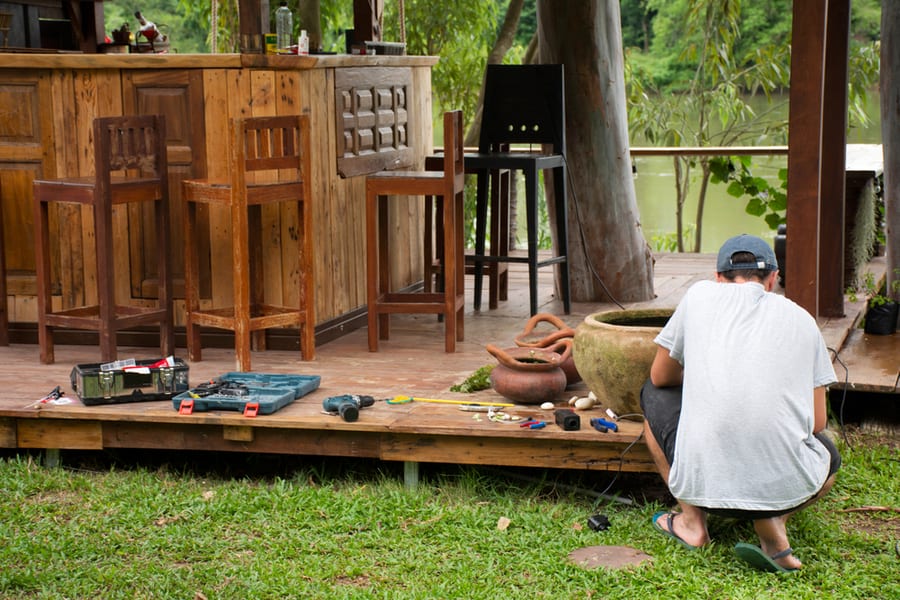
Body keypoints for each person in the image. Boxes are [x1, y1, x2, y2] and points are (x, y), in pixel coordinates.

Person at [640, 234, 841, 573]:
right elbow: (818, 423)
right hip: (787, 486)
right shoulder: (803, 320)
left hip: (704, 482)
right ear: (774, 279)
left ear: (717, 278)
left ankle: (692, 524)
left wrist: (707, 377)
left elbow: (660, 377)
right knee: (829, 458)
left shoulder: (699, 296)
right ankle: (773, 520)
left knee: (651, 393)